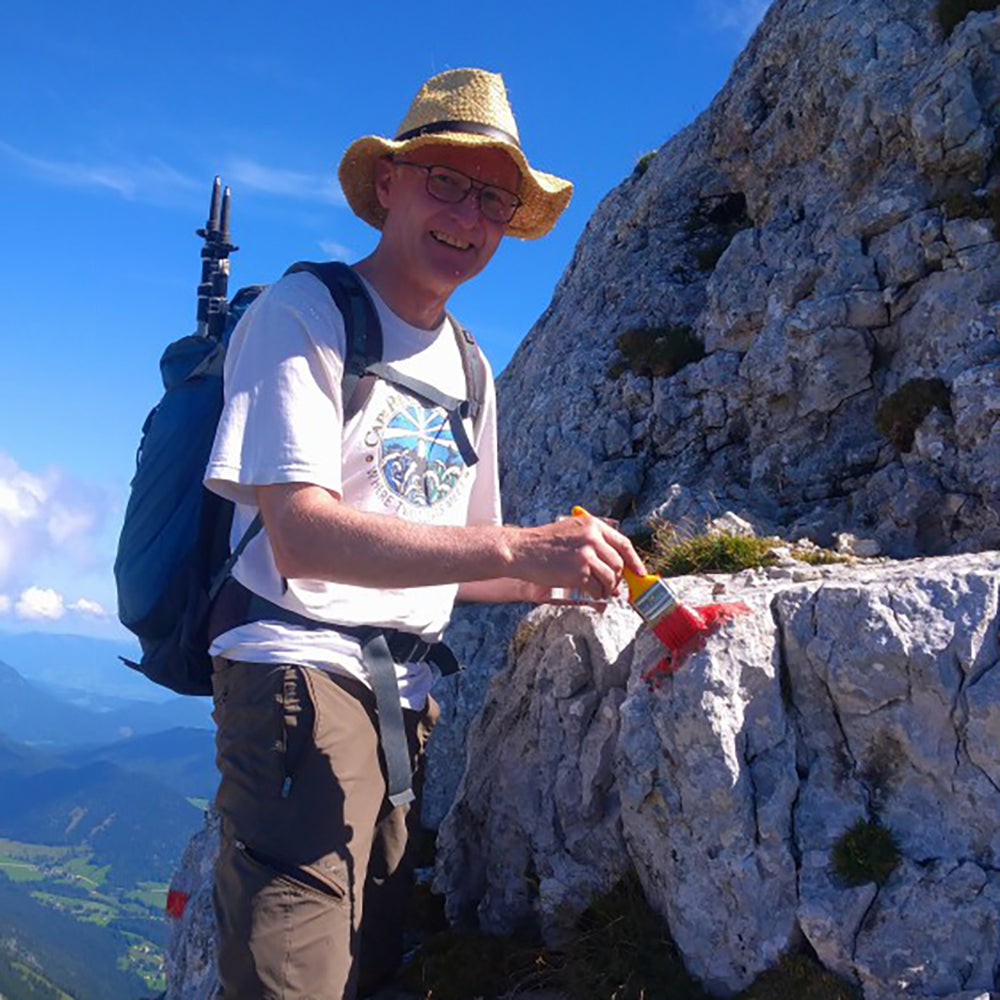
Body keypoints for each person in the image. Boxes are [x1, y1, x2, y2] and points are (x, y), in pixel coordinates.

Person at [203, 67, 645, 1000]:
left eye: (493, 199)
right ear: (389, 183)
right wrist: (517, 549)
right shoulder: (305, 315)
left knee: (369, 973)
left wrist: (570, 571)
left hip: (404, 706)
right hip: (295, 681)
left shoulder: (471, 366)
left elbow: (469, 560)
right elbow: (301, 536)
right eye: (446, 180)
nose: (469, 216)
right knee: (296, 983)